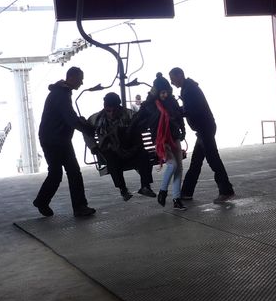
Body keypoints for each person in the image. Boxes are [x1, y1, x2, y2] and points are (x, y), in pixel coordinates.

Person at [33, 66, 97, 217]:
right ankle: (79, 207)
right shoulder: (61, 94)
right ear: (72, 78)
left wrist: (80, 123)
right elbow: (70, 119)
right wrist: (89, 130)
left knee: (57, 173)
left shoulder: (61, 92)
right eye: (80, 79)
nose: (81, 83)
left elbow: (68, 116)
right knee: (71, 172)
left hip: (55, 138)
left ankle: (42, 201)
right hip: (55, 140)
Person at [170, 67, 235, 204]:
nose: (172, 82)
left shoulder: (189, 90)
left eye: (173, 79)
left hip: (204, 128)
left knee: (213, 160)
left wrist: (178, 112)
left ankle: (226, 191)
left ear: (180, 75)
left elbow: (192, 110)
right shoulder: (188, 88)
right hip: (203, 129)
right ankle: (186, 192)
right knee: (196, 162)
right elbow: (190, 108)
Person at [87, 92, 156, 201]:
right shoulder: (97, 118)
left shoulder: (129, 114)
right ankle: (123, 189)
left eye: (114, 110)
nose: (111, 114)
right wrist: (93, 146)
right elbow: (87, 132)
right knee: (111, 160)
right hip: (112, 150)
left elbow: (141, 126)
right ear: (105, 108)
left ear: (119, 107)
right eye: (108, 111)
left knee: (144, 154)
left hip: (129, 148)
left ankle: (145, 186)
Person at [141, 73, 187, 211]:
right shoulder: (150, 105)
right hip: (161, 140)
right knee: (172, 165)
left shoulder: (172, 102)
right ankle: (163, 191)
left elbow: (179, 117)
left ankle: (176, 199)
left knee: (179, 168)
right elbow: (141, 117)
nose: (165, 95)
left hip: (174, 137)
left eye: (166, 92)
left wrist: (183, 130)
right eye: (162, 92)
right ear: (156, 92)